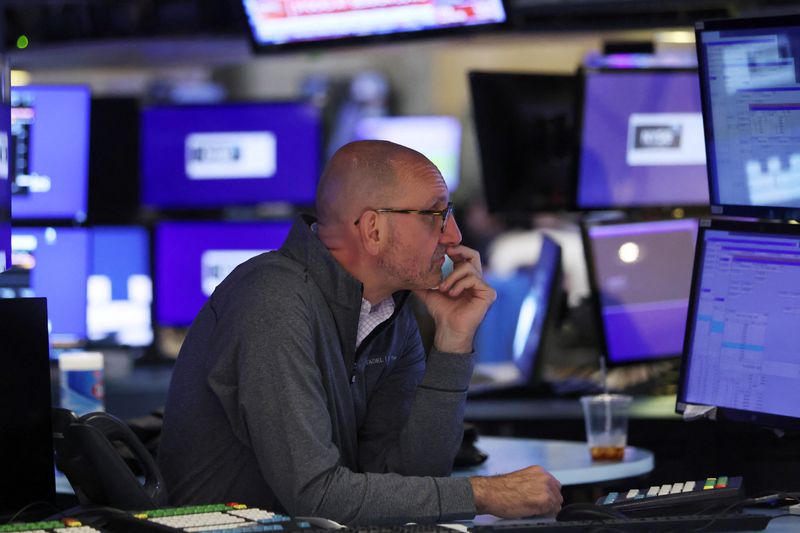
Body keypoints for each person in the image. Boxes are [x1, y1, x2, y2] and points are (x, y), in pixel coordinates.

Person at [158, 140, 563, 525]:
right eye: (435, 215)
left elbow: (411, 481)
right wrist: (482, 494)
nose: (454, 236)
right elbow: (315, 495)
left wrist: (453, 344)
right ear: (372, 229)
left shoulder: (388, 310)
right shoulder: (272, 301)